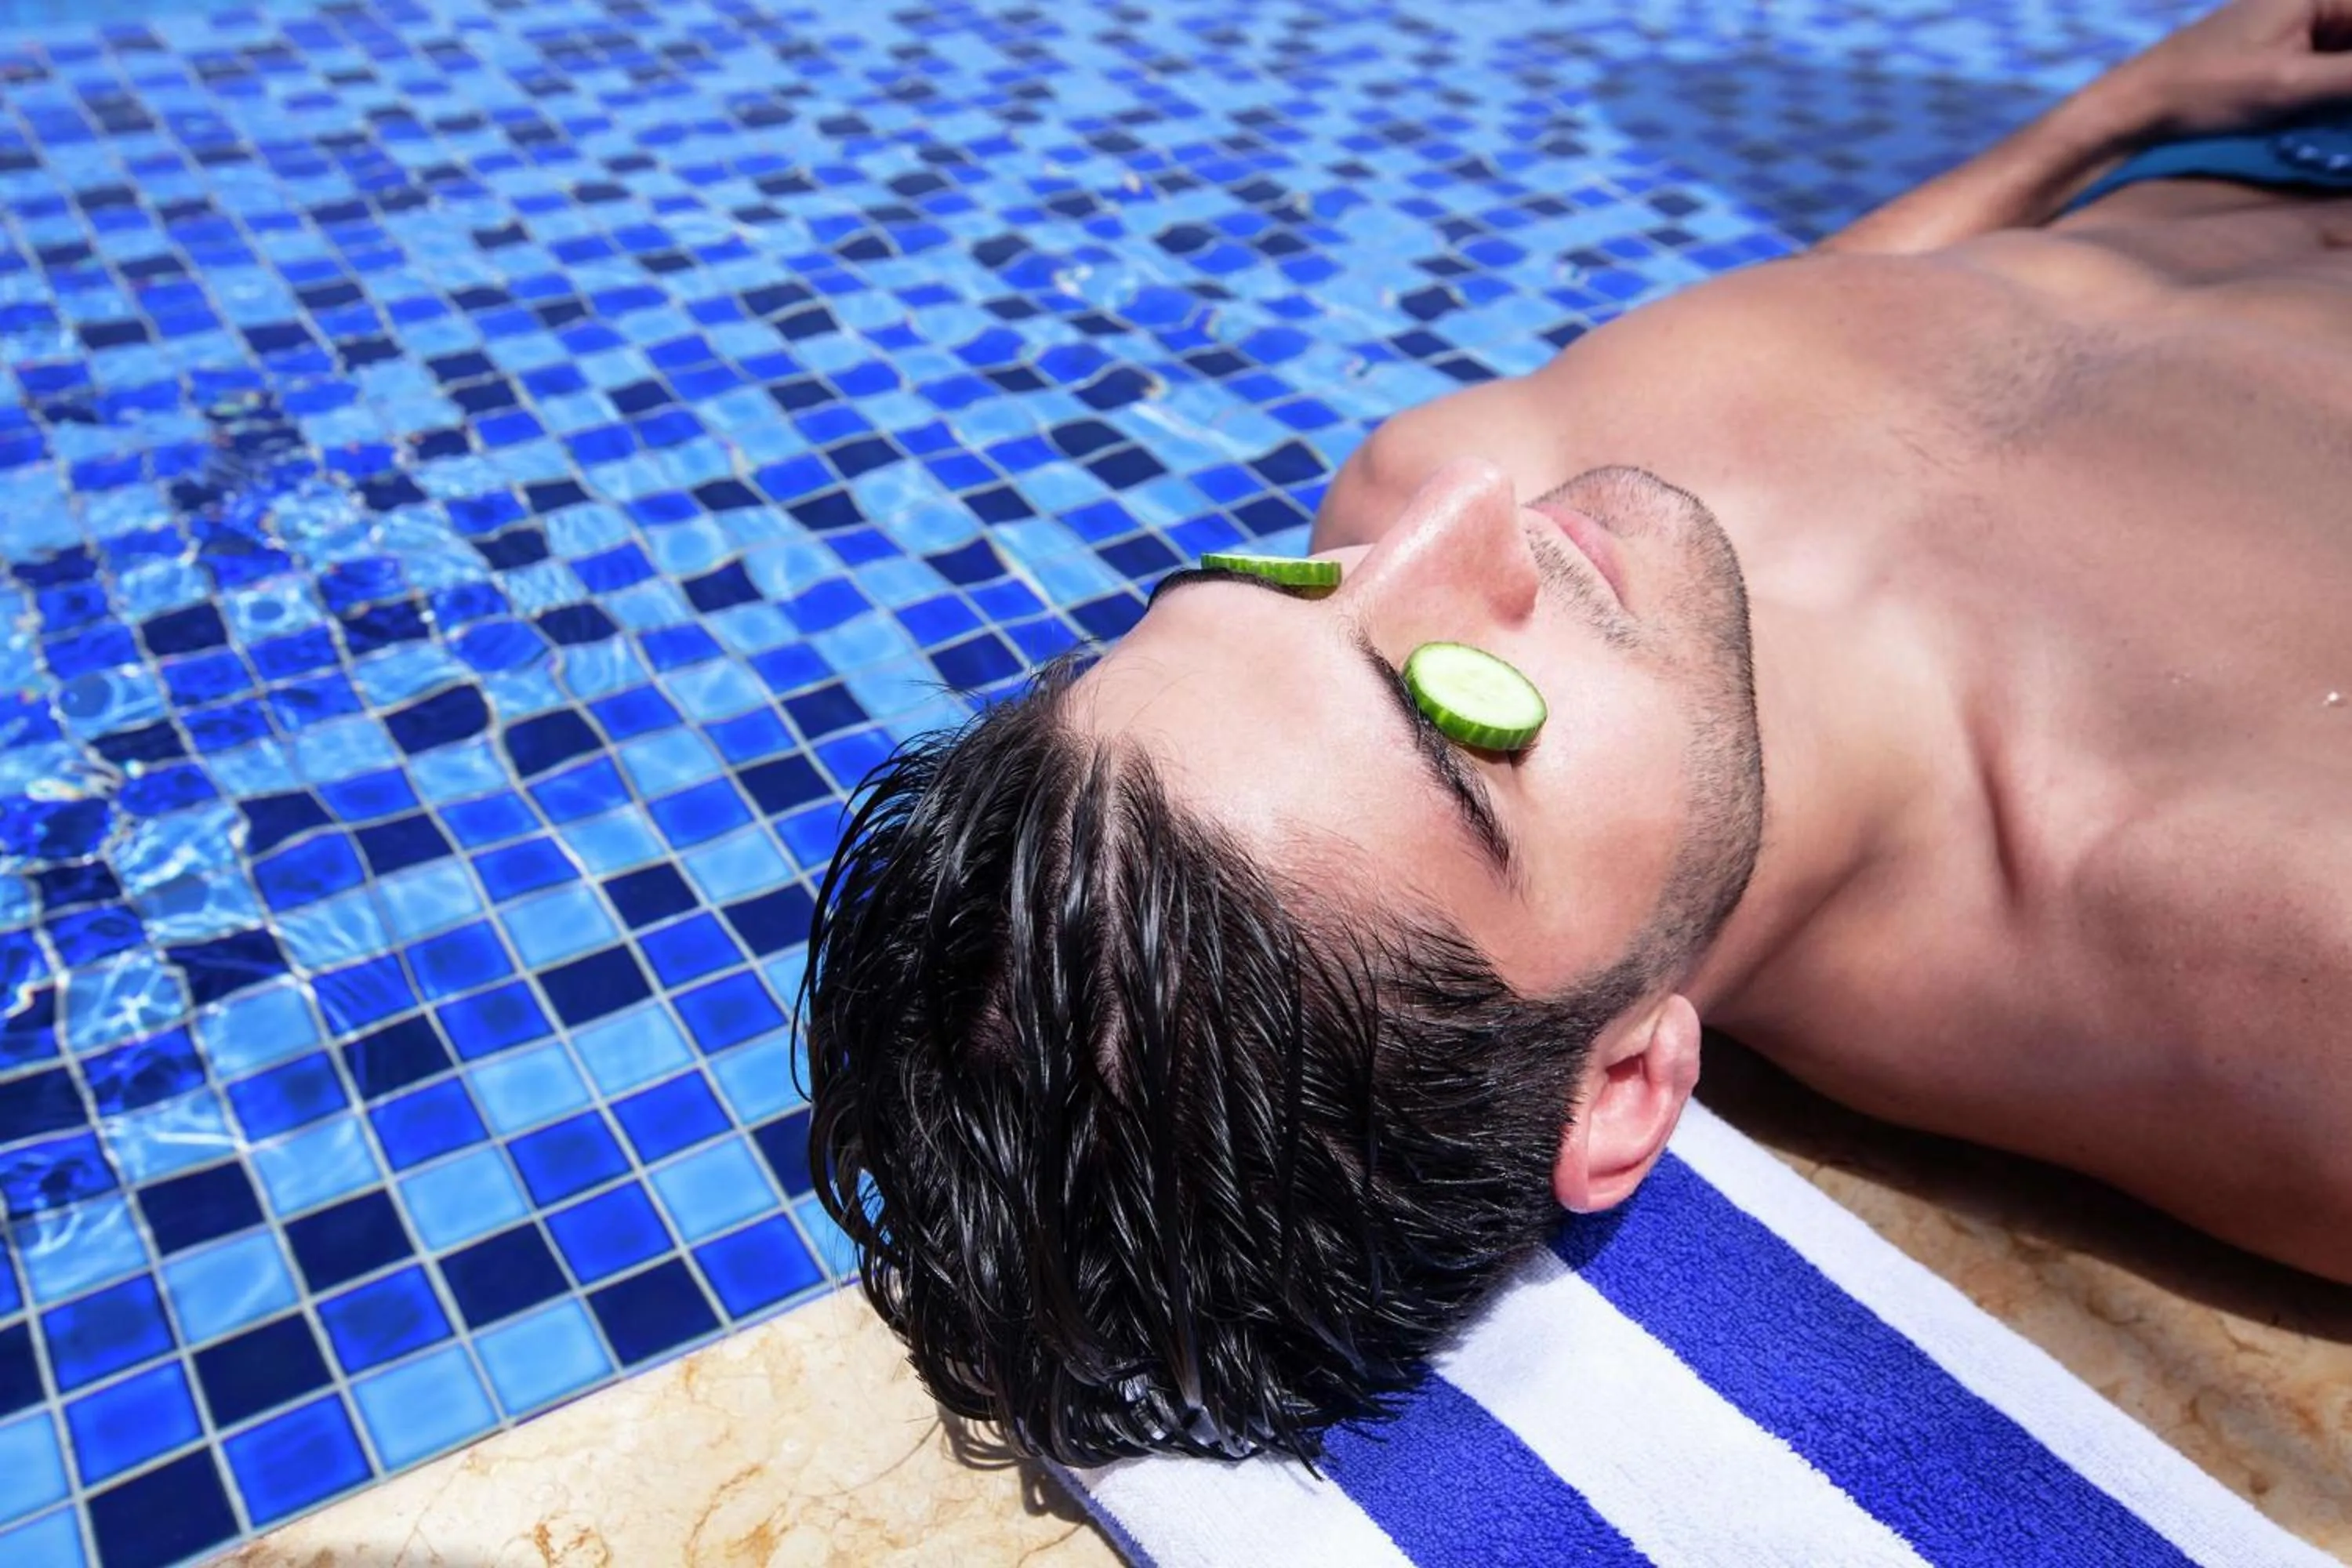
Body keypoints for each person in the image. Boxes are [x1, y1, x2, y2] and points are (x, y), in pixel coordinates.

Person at [799, 0, 2352, 1467]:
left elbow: (1864, 335)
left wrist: (2110, 115)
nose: (1455, 515)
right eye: (1462, 722)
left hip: (2196, 141)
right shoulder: (2255, 941)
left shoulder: (1450, 491)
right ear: (1619, 1092)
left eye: (1279, 582)